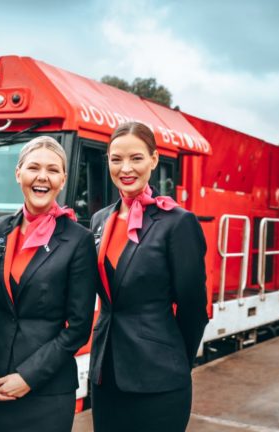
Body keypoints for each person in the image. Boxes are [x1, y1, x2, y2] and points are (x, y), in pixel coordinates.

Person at [0, 136, 97, 432]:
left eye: (53, 170)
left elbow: (78, 327)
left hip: (47, 391)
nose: (42, 177)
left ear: (63, 180)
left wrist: (27, 376)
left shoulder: (78, 240)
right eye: (34, 167)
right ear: (19, 174)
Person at [90, 122, 209, 432]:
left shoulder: (177, 223)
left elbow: (194, 308)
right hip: (106, 378)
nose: (125, 168)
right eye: (116, 159)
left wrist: (175, 362)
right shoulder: (100, 219)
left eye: (136, 158)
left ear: (154, 160)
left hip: (159, 381)